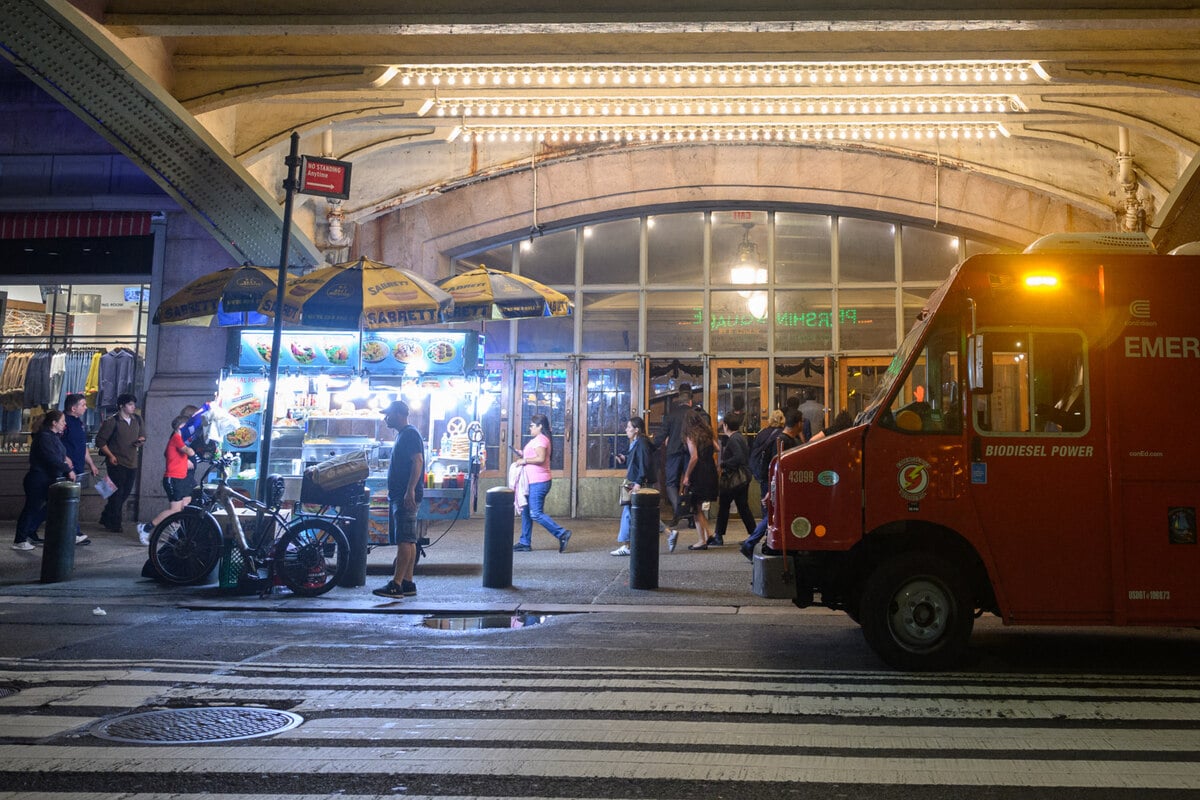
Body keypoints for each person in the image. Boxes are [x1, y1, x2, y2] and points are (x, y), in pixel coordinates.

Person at [372, 399, 426, 599]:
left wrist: (409, 490)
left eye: (388, 414)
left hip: (405, 495)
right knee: (409, 540)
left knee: (404, 540)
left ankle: (395, 584)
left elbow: (418, 461)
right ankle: (407, 582)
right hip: (402, 494)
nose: (386, 418)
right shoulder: (404, 434)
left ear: (398, 414)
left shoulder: (409, 434)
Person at [13, 410, 87, 550]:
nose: (64, 424)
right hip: (38, 479)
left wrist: (65, 460)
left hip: (48, 478)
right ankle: (20, 539)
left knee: (54, 506)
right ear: (54, 423)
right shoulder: (45, 437)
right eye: (62, 421)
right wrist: (67, 469)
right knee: (32, 509)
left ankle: (31, 532)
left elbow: (57, 455)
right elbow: (51, 458)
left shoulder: (52, 437)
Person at [740, 409, 806, 560]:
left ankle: (757, 543)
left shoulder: (780, 438)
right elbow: (777, 467)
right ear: (798, 424)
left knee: (773, 515)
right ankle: (751, 543)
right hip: (778, 485)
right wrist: (772, 490)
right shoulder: (783, 441)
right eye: (802, 422)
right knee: (773, 515)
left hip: (774, 483)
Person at [610, 416, 678, 556]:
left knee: (629, 512)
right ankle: (668, 533)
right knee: (644, 513)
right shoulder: (638, 442)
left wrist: (638, 483)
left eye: (629, 427)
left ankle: (627, 545)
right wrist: (625, 459)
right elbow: (638, 461)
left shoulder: (641, 443)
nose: (626, 430)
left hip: (638, 482)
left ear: (636, 429)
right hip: (638, 481)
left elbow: (644, 463)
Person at [512, 413, 572, 552]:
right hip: (532, 481)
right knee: (526, 512)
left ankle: (562, 533)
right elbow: (535, 455)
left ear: (540, 426)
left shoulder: (541, 440)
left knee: (535, 513)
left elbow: (540, 458)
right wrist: (522, 453)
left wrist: (524, 460)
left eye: (532, 426)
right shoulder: (538, 439)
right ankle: (525, 542)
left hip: (538, 482)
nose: (530, 428)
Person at [136, 415, 196, 546]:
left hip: (180, 478)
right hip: (173, 479)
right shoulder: (176, 438)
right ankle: (146, 528)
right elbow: (189, 451)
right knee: (175, 510)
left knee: (182, 508)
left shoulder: (179, 439)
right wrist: (191, 453)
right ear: (181, 427)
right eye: (187, 427)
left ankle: (171, 534)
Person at [95, 393, 145, 534]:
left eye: (133, 404)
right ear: (122, 406)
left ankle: (106, 516)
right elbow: (100, 441)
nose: (133, 407)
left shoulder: (137, 419)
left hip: (132, 461)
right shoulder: (112, 421)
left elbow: (143, 435)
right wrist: (110, 455)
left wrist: (140, 441)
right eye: (130, 404)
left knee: (125, 492)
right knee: (117, 493)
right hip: (116, 462)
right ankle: (115, 523)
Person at [710, 411, 756, 547]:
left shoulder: (733, 439)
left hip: (733, 478)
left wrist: (723, 464)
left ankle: (719, 536)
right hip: (743, 477)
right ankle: (754, 534)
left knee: (724, 506)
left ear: (726, 425)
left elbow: (738, 457)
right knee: (743, 506)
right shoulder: (740, 437)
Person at [62, 392, 99, 545]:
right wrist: (64, 458)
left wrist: (91, 463)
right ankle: (75, 532)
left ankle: (30, 529)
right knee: (66, 501)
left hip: (78, 468)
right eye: (83, 405)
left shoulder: (79, 423)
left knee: (67, 501)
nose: (85, 407)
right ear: (73, 408)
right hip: (66, 469)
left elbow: (82, 447)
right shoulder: (63, 421)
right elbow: (54, 443)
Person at [655, 383, 694, 527]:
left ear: (678, 401)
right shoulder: (694, 415)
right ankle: (691, 516)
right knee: (690, 483)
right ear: (690, 401)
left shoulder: (671, 415)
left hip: (673, 452)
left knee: (671, 484)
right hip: (690, 453)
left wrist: (650, 445)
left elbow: (661, 435)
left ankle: (679, 511)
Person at [680, 408, 719, 550]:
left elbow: (694, 457)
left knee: (695, 508)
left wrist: (687, 475)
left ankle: (701, 540)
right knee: (699, 506)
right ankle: (708, 534)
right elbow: (717, 448)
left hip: (698, 473)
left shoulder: (691, 435)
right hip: (710, 470)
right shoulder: (707, 433)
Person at [749, 409, 786, 514]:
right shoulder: (782, 434)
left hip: (763, 471)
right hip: (775, 472)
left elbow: (754, 448)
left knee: (765, 501)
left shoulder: (762, 433)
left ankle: (765, 519)